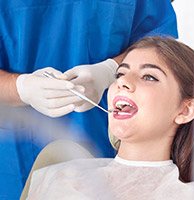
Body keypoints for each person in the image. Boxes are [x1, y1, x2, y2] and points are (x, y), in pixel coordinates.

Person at [0, 1, 178, 199]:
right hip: (14, 154)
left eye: (148, 78)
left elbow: (162, 46)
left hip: (104, 140)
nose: (125, 84)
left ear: (187, 109)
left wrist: (111, 70)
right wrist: (20, 87)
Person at [27, 36, 194, 199]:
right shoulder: (59, 177)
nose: (122, 82)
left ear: (185, 110)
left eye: (149, 77)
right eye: (119, 74)